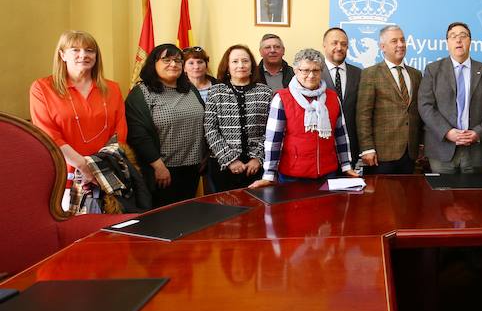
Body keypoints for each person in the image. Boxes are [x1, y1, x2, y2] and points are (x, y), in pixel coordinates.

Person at [30, 30, 128, 212]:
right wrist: (84, 167)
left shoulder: (112, 88)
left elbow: (119, 132)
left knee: (109, 235)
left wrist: (99, 168)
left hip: (106, 174)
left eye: (90, 50)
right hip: (64, 178)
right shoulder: (42, 88)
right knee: (71, 235)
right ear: (62, 55)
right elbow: (49, 135)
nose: (83, 55)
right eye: (75, 50)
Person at [249, 49, 358, 188]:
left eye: (316, 70)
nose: (311, 75)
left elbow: (341, 134)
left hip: (328, 172)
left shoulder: (332, 98)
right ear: (296, 70)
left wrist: (347, 166)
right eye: (305, 70)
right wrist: (269, 175)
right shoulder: (282, 98)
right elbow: (273, 140)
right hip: (292, 176)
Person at [126, 44, 206, 207]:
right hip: (161, 171)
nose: (174, 64)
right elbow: (138, 135)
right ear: (153, 63)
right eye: (166, 60)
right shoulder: (142, 92)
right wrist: (158, 166)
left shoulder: (189, 89)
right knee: (163, 222)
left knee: (187, 217)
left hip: (192, 168)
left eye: (178, 60)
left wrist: (204, 155)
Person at [418, 22, 482, 173]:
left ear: (470, 41)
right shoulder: (433, 70)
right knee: (442, 195)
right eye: (453, 36)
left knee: (473, 195)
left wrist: (478, 132)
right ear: (447, 43)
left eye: (463, 36)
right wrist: (447, 132)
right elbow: (425, 106)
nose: (458, 40)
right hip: (442, 149)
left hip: (475, 149)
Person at [204, 45, 273, 191]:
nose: (241, 65)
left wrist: (258, 158)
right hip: (223, 165)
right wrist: (230, 160)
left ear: (252, 65)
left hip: (257, 166)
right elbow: (210, 129)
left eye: (245, 61)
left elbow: (272, 130)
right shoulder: (216, 92)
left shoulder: (265, 92)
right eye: (235, 61)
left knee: (258, 208)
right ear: (227, 66)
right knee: (226, 210)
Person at [356, 25, 423, 174]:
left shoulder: (416, 74)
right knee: (382, 197)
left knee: (408, 196)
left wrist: (421, 145)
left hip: (410, 153)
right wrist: (367, 148)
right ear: (382, 47)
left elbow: (419, 112)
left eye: (402, 40)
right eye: (394, 41)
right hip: (381, 154)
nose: (400, 44)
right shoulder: (370, 74)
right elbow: (363, 115)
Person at [321, 27, 361, 165]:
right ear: (324, 45)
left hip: (352, 148)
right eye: (335, 43)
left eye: (344, 44)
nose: (339, 48)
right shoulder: (314, 74)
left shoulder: (359, 74)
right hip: (322, 148)